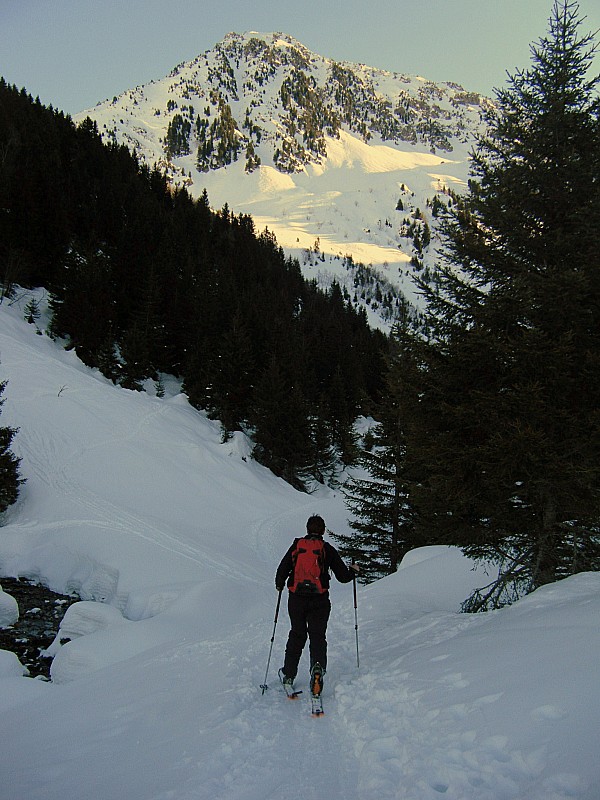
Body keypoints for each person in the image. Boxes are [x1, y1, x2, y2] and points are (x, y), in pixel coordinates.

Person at [275, 514, 359, 695]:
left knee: (297, 634)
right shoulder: (326, 549)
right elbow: (343, 577)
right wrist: (353, 571)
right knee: (317, 636)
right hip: (320, 600)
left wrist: (280, 584)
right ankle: (317, 671)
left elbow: (282, 570)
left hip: (296, 599)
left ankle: (288, 675)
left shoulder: (297, 546)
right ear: (323, 531)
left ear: (307, 529)